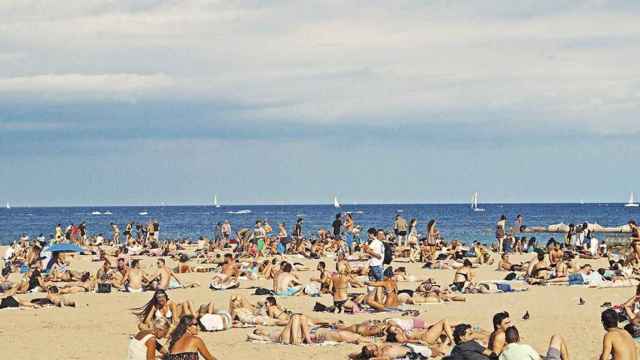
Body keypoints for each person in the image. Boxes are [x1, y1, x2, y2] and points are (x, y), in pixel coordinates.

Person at [500, 326, 569, 360]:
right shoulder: (525, 348)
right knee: (557, 337)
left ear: (506, 341)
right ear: (518, 338)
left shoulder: (502, 355)